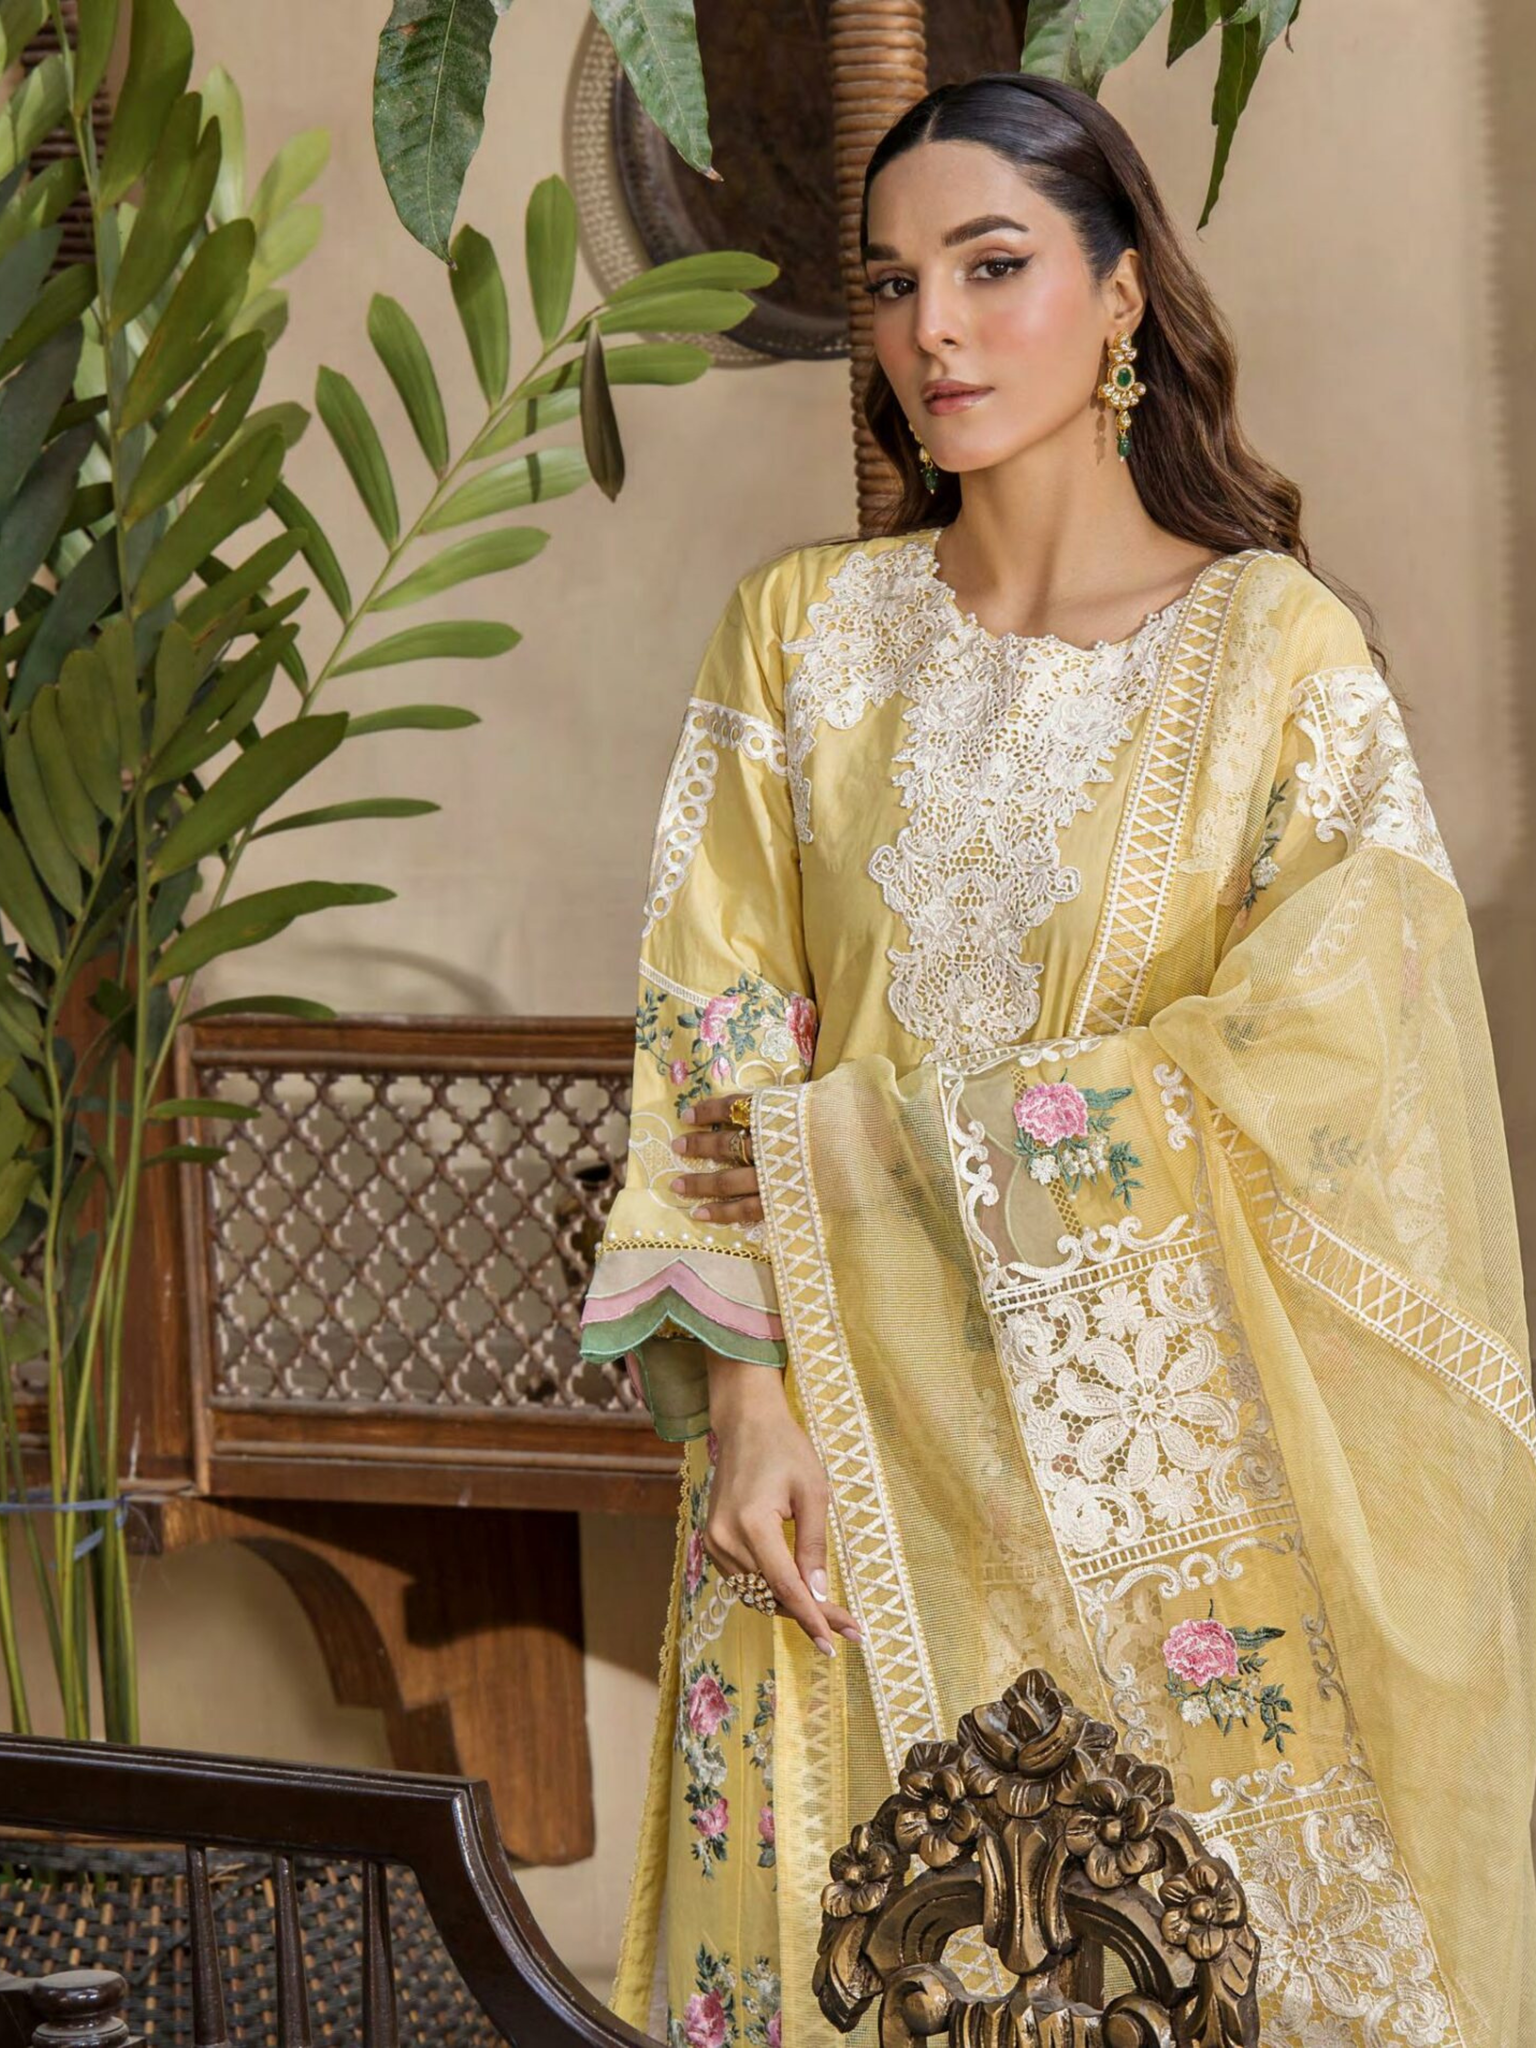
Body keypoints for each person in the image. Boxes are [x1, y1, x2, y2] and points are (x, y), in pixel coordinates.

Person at [578, 71, 1536, 2048]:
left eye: (992, 266)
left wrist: (892, 1145)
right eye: (893, 283)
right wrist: (748, 1396)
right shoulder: (800, 637)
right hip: (829, 1470)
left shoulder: (1275, 656)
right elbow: (718, 1024)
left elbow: (1340, 1062)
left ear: (1122, 295)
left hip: (1150, 1494)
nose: (932, 327)